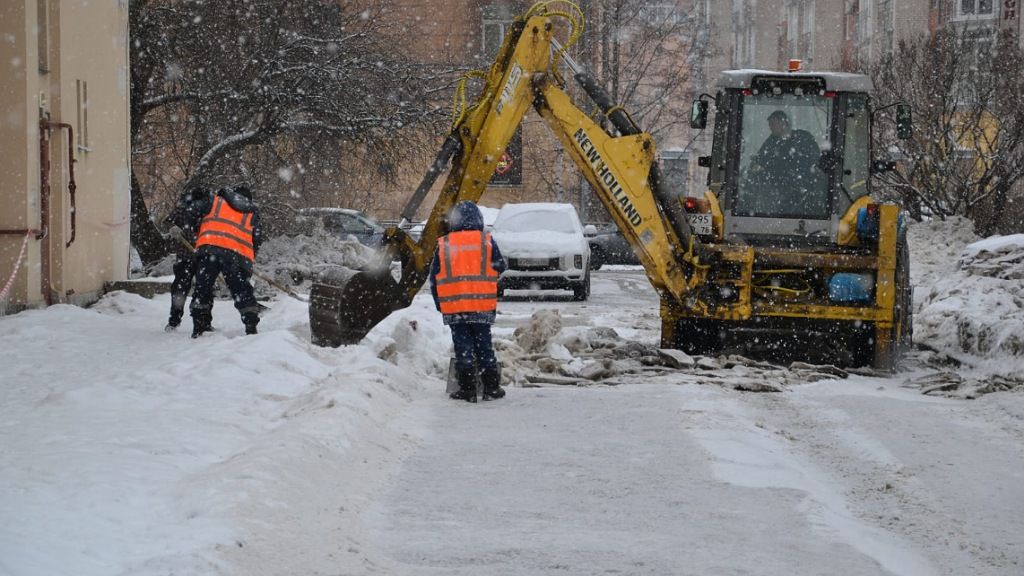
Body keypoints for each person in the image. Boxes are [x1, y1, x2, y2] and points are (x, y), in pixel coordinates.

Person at [429, 201, 507, 403]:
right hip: (482, 306)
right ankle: (491, 387)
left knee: (463, 347)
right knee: (484, 347)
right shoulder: (487, 241)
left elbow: (434, 277)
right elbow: (500, 265)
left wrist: (440, 303)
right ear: (479, 219)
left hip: (455, 308)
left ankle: (468, 389)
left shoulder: (444, 244)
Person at [188, 185, 264, 338]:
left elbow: (192, 211)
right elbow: (256, 239)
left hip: (209, 249)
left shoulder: (214, 201)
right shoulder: (252, 212)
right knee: (241, 290)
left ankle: (199, 327)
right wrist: (247, 263)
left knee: (203, 287)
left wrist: (197, 229)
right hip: (236, 256)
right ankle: (251, 326)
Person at [748, 110, 825, 215]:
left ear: (783, 123)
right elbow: (761, 160)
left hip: (803, 191)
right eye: (770, 125)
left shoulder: (803, 138)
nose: (770, 127)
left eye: (773, 124)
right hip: (777, 192)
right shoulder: (771, 142)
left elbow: (815, 159)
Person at [163, 187, 212, 331]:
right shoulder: (182, 210)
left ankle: (205, 323)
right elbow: (167, 221)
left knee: (205, 291)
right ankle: (174, 321)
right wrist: (173, 227)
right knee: (179, 290)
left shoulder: (208, 213)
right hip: (184, 258)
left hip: (204, 257)